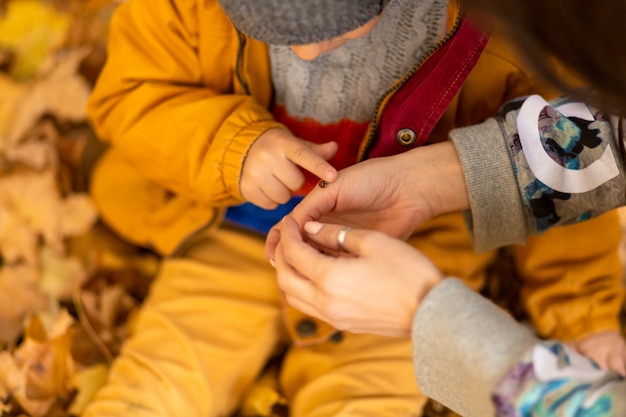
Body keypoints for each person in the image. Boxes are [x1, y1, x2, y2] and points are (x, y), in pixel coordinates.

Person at [84, 1, 624, 417]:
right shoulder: (185, 8)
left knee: (365, 401)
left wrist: (584, 316)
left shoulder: (502, 35)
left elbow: (563, 161)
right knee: (158, 380)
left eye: (340, 25)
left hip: (401, 259)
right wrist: (233, 146)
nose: (308, 52)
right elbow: (132, 96)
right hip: (231, 241)